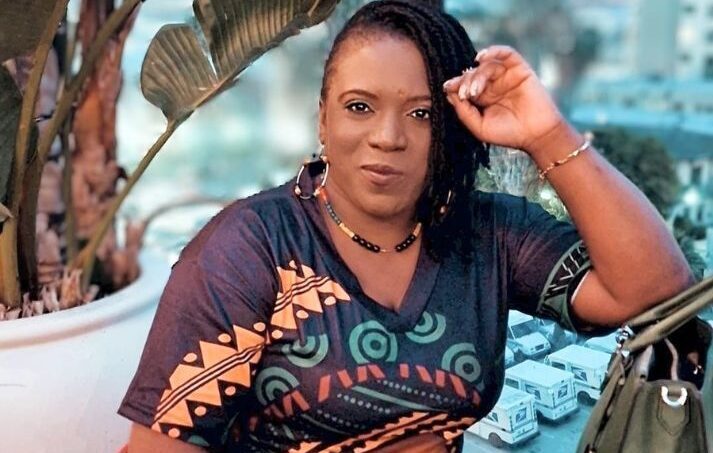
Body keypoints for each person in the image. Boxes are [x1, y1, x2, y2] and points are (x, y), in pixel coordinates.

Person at [118, 1, 694, 452]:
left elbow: (652, 288)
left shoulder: (488, 233)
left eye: (422, 114)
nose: (387, 137)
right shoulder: (249, 248)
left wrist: (546, 135)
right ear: (323, 118)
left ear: (453, 125)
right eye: (359, 107)